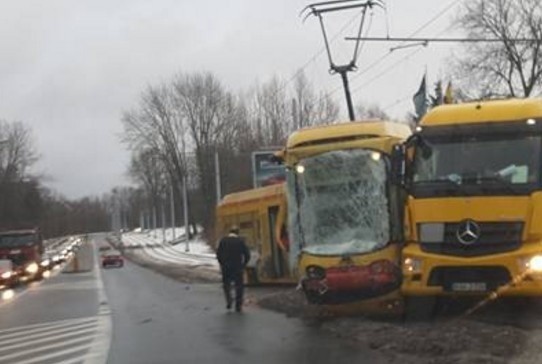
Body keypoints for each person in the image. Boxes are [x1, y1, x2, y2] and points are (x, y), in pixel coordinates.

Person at [216, 225, 250, 312]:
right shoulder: (240, 241)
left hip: (226, 267)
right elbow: (247, 255)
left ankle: (229, 300)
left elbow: (218, 254)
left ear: (229, 232)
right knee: (239, 286)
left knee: (226, 285)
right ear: (237, 233)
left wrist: (222, 263)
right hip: (237, 267)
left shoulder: (223, 241)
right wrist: (243, 264)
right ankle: (238, 305)